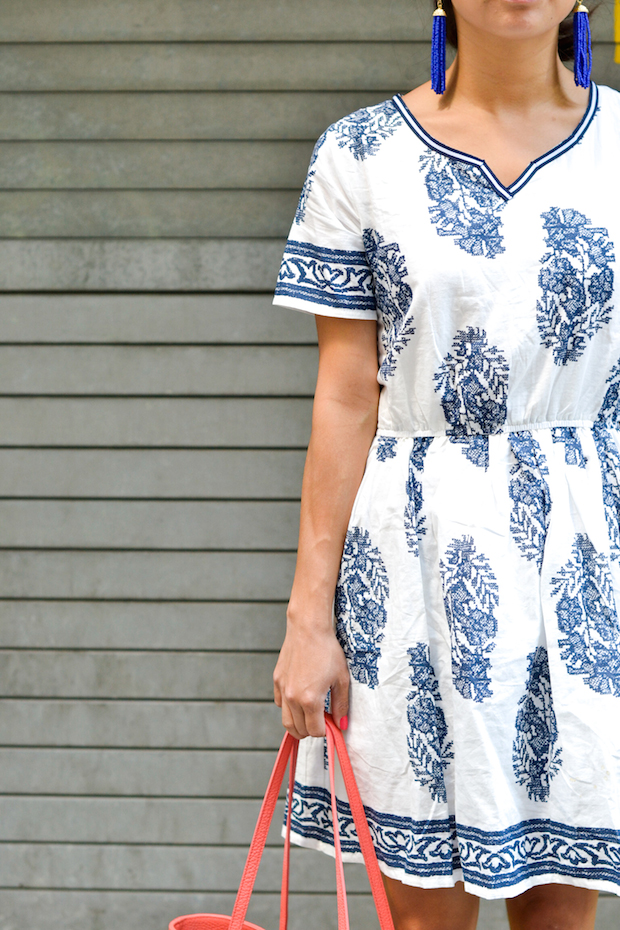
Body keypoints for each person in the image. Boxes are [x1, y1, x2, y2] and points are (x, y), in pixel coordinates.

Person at [271, 0, 620, 926]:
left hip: (585, 563)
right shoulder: (360, 154)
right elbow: (346, 397)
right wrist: (310, 618)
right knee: (423, 915)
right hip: (413, 566)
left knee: (564, 903)